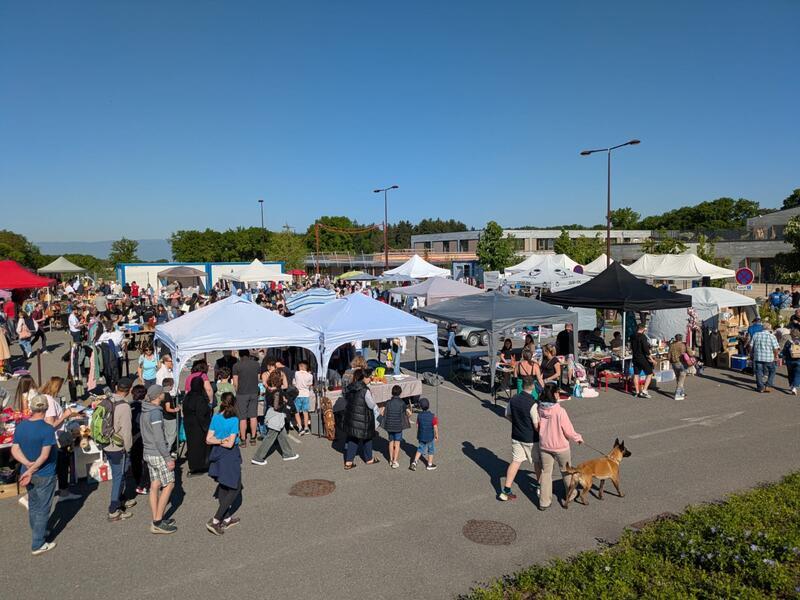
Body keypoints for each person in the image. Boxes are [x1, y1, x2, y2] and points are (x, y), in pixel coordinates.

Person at [11, 394, 58, 555]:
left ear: (31, 408)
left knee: (34, 505)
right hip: (44, 473)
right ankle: (38, 543)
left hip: (27, 472)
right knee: (43, 508)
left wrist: (27, 465)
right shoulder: (47, 429)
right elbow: (44, 456)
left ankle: (39, 531)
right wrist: (32, 469)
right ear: (46, 408)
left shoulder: (21, 426)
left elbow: (15, 449)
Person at [537, 385, 583, 510]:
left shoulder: (539, 408)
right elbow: (568, 430)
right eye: (557, 392)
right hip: (560, 446)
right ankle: (571, 494)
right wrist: (578, 438)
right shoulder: (560, 411)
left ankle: (544, 501)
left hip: (545, 445)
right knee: (566, 471)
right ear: (554, 394)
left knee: (546, 473)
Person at [140, 385, 177, 534]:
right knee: (169, 484)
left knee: (155, 484)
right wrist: (168, 458)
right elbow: (159, 437)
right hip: (158, 453)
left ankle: (156, 518)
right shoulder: (155, 412)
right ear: (157, 396)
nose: (164, 394)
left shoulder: (145, 409)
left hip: (148, 451)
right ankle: (158, 521)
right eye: (162, 393)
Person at [206, 392, 243, 535]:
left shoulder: (216, 417)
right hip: (230, 455)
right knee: (235, 487)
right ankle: (216, 520)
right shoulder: (234, 420)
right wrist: (224, 440)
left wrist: (219, 440)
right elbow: (230, 444)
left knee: (223, 485)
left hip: (217, 453)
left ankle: (226, 518)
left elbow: (208, 439)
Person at [499, 376, 541, 502]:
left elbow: (507, 414)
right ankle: (540, 485)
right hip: (530, 438)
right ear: (532, 386)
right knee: (537, 462)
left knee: (516, 461)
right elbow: (536, 425)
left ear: (522, 385)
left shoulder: (513, 399)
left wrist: (516, 422)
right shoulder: (533, 403)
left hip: (516, 435)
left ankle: (506, 490)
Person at [39, 377, 80, 502]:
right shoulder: (50, 402)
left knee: (58, 466)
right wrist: (65, 415)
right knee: (61, 466)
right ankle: (63, 493)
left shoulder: (43, 398)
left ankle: (62, 492)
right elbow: (51, 425)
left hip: (51, 439)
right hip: (56, 439)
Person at [104, 377, 136, 521]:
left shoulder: (108, 399)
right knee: (119, 476)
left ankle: (121, 498)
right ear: (129, 390)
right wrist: (128, 448)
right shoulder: (124, 406)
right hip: (118, 447)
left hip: (106, 443)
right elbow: (126, 432)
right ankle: (114, 509)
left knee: (117, 473)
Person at [250, 387, 298, 466]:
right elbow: (277, 407)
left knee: (282, 435)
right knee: (269, 438)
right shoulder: (279, 393)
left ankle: (288, 454)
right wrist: (285, 402)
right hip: (276, 418)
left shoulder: (272, 391)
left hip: (274, 416)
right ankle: (257, 458)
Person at [342, 369, 379, 469]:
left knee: (353, 438)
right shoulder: (365, 390)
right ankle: (369, 459)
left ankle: (348, 462)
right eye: (369, 377)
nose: (370, 379)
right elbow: (371, 405)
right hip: (363, 418)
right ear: (363, 378)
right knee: (367, 437)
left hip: (351, 416)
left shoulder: (350, 387)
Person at [183, 376, 211, 473]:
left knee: (192, 446)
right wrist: (206, 426)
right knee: (200, 447)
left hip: (189, 425)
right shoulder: (200, 398)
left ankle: (193, 465)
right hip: (198, 426)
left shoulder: (188, 396)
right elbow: (201, 414)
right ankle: (200, 466)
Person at [232, 349, 260, 445]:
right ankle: (253, 437)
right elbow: (258, 379)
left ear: (240, 355)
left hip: (241, 393)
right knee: (253, 416)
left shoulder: (236, 365)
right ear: (248, 355)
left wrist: (237, 391)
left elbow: (235, 382)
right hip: (254, 392)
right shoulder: (256, 364)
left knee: (242, 417)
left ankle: (243, 439)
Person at [128, 385, 151, 496]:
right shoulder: (146, 407)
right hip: (144, 436)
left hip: (132, 436)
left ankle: (138, 481)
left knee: (135, 460)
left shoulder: (129, 406)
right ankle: (144, 484)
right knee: (146, 460)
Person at [381, 385, 411, 468]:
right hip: (398, 426)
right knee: (397, 444)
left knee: (391, 442)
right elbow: (409, 413)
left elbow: (382, 412)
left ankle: (390, 459)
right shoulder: (402, 403)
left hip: (389, 425)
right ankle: (395, 461)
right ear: (400, 393)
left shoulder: (388, 402)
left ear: (392, 392)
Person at [410, 396, 438, 471]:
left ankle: (414, 462)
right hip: (430, 436)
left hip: (421, 436)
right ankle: (429, 464)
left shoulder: (419, 416)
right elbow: (435, 427)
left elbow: (417, 425)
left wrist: (419, 433)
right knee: (431, 450)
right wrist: (436, 435)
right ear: (428, 406)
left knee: (420, 448)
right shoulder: (432, 416)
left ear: (420, 407)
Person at [752, 323, 780, 393]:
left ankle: (760, 387)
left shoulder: (756, 335)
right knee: (772, 370)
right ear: (769, 328)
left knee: (758, 372)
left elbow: (750, 345)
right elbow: (776, 348)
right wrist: (776, 355)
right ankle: (768, 385)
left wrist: (751, 353)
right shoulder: (772, 336)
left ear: (762, 328)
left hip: (758, 357)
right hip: (769, 358)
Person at [631, 323, 654, 398]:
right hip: (642, 357)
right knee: (649, 373)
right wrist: (651, 359)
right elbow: (646, 349)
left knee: (636, 374)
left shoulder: (632, 336)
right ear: (643, 329)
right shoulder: (642, 337)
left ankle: (637, 391)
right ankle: (644, 390)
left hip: (635, 357)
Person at [293, 361, 313, 435]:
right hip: (306, 395)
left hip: (298, 395)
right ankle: (306, 428)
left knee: (297, 412)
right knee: (305, 412)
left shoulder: (296, 373)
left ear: (301, 366)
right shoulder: (310, 375)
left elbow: (293, 383)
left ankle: (300, 427)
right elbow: (310, 385)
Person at [668, 334, 691, 401]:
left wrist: (671, 362)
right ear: (681, 338)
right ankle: (677, 394)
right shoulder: (684, 345)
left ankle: (682, 392)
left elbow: (669, 355)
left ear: (675, 338)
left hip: (674, 363)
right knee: (681, 379)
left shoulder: (672, 345)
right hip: (682, 363)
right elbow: (690, 353)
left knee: (678, 378)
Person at [161, 377, 179, 455]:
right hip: (170, 418)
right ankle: (167, 451)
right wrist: (176, 409)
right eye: (172, 385)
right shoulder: (167, 395)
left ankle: (166, 449)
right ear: (169, 386)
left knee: (166, 434)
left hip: (164, 417)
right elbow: (168, 408)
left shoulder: (161, 394)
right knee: (172, 435)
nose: (172, 387)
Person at [781, 329, 800, 395]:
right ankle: (794, 386)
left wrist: (782, 357)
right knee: (798, 374)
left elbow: (784, 351)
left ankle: (791, 386)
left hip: (789, 361)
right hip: (798, 360)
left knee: (790, 374)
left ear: (791, 334)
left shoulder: (789, 341)